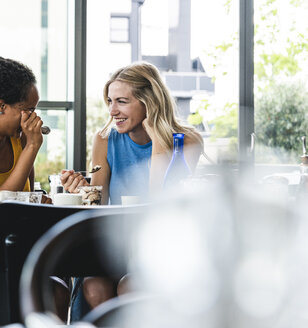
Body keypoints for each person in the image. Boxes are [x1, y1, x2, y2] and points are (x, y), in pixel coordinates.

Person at [60, 61, 204, 319]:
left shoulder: (186, 141)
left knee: (132, 287)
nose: (112, 111)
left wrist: (158, 138)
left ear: (149, 102)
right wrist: (82, 191)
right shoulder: (104, 139)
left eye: (122, 101)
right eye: (109, 101)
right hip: (114, 245)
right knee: (94, 287)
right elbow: (97, 206)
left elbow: (158, 201)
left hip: (159, 246)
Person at [0, 57, 69, 321]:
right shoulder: (26, 144)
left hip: (18, 244)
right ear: (1, 107)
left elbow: (28, 194)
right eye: (28, 109)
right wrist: (32, 146)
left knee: (58, 288)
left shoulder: (17, 141)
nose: (35, 118)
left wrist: (51, 199)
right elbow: (5, 202)